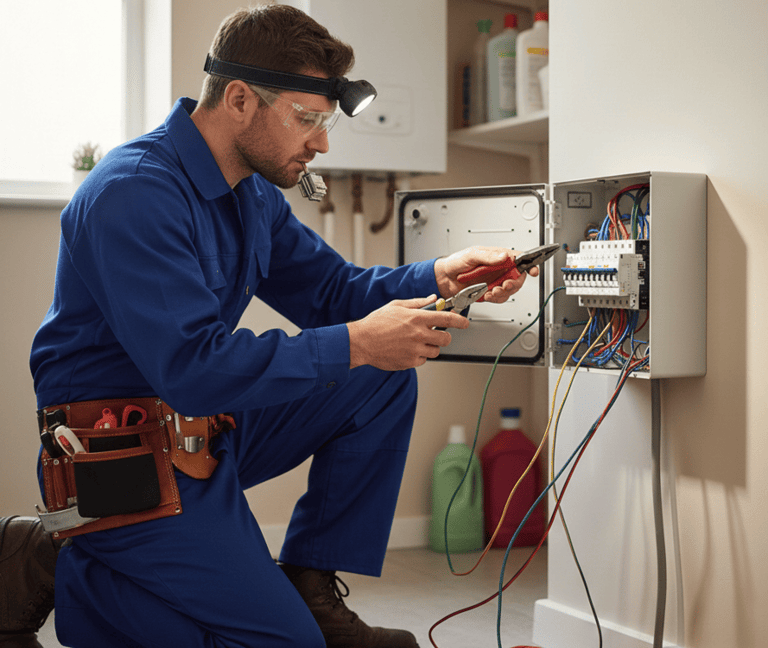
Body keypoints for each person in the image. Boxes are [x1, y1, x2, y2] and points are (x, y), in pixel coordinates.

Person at [13, 5, 536, 647]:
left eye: (326, 121)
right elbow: (194, 368)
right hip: (118, 459)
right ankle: (57, 564)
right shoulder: (133, 192)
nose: (321, 142)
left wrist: (442, 277)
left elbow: (334, 293)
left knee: (380, 376)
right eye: (307, 118)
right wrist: (358, 341)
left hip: (203, 434)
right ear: (239, 99)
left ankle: (310, 590)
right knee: (278, 644)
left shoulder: (252, 195)